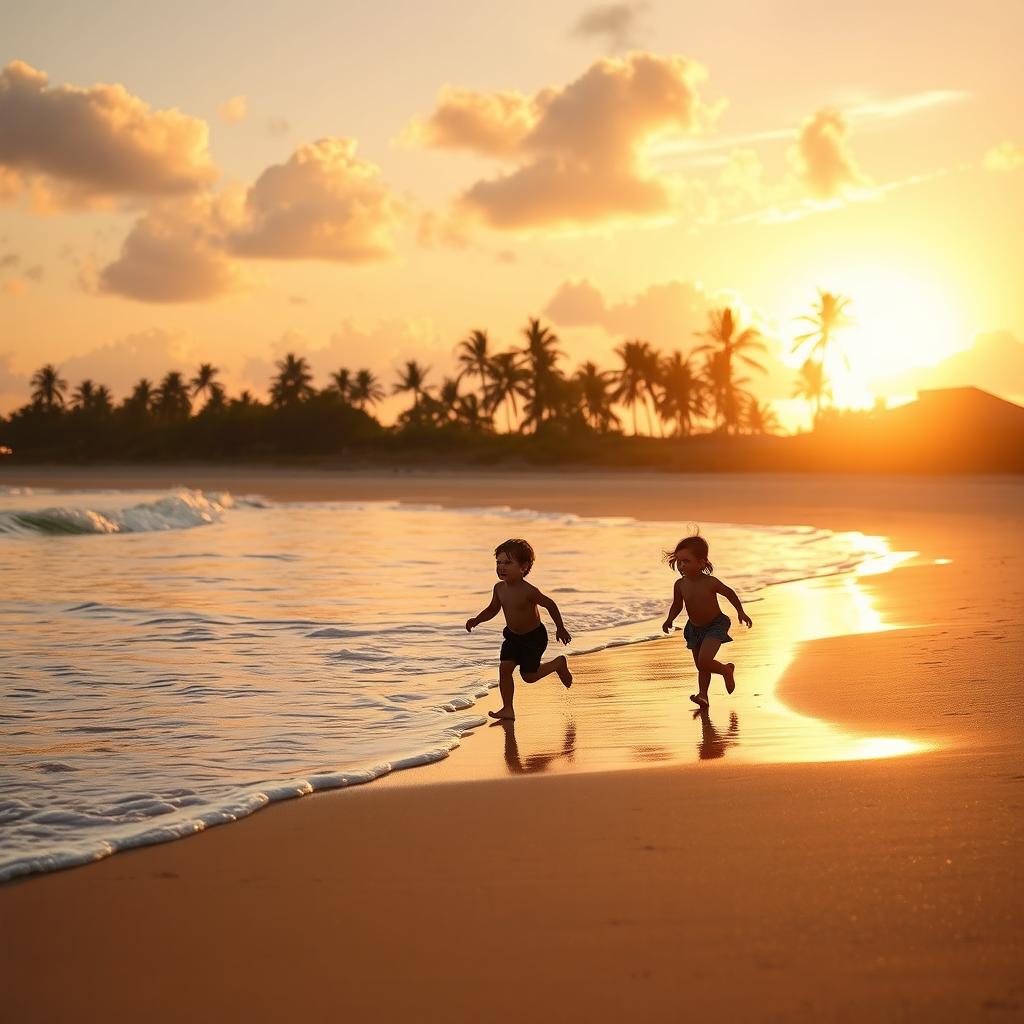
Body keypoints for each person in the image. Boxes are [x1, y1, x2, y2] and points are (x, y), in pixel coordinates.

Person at [466, 538, 573, 720]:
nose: (502, 567)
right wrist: (477, 620)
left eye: (508, 562)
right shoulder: (499, 588)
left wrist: (560, 628)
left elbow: (550, 604)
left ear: (524, 567)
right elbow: (493, 609)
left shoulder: (528, 591)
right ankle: (508, 708)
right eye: (499, 562)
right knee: (504, 669)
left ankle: (558, 664)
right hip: (513, 637)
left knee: (529, 676)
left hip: (533, 638)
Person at [661, 531, 752, 708]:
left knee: (704, 661)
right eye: (679, 561)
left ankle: (726, 670)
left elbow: (729, 593)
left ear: (701, 563)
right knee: (701, 666)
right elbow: (677, 604)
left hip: (715, 625)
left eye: (686, 561)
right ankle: (703, 695)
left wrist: (740, 611)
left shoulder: (710, 582)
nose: (681, 565)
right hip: (694, 629)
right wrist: (670, 619)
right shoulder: (680, 585)